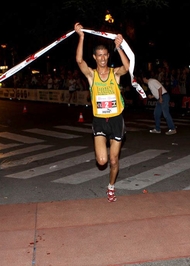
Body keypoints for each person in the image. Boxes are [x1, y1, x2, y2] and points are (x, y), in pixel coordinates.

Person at [74, 22, 129, 202]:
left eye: (105, 55)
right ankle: (103, 153)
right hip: (99, 120)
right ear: (95, 57)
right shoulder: (92, 75)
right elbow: (79, 61)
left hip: (116, 120)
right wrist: (81, 37)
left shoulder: (115, 74)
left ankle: (111, 186)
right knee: (102, 161)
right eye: (99, 55)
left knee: (113, 161)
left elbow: (127, 67)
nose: (103, 58)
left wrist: (119, 47)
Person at [142, 71, 177, 135]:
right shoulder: (150, 83)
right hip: (161, 97)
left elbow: (160, 88)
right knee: (156, 113)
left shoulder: (151, 82)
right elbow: (157, 90)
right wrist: (152, 96)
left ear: (144, 78)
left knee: (165, 113)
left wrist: (160, 97)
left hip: (163, 96)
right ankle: (157, 129)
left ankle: (172, 128)